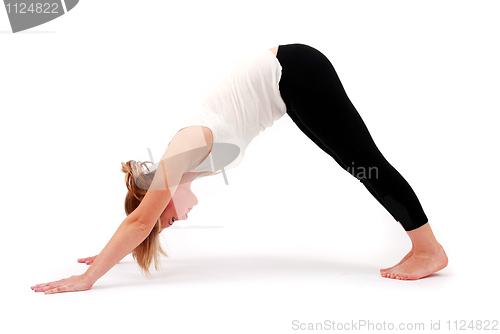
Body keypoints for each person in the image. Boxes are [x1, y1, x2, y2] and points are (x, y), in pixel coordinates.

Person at [31, 43, 448, 294]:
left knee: (365, 163)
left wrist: (87, 280)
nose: (181, 218)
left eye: (170, 217)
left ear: (162, 197)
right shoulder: (188, 167)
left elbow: (140, 220)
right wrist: (109, 254)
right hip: (290, 87)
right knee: (356, 164)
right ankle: (424, 246)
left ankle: (429, 251)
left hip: (294, 72)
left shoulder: (184, 148)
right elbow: (141, 220)